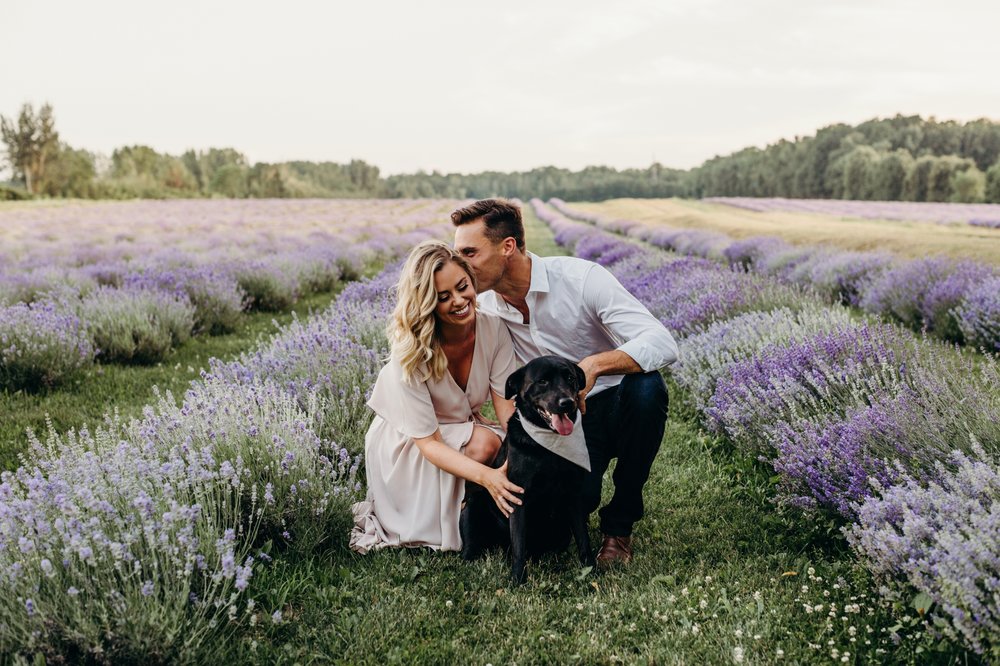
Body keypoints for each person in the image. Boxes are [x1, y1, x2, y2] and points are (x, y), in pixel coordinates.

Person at [452, 198, 679, 567]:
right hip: (558, 421)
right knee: (577, 502)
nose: (461, 263)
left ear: (507, 247)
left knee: (648, 389)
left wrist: (594, 366)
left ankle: (619, 527)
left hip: (614, 402)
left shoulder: (581, 279)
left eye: (469, 252)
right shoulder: (487, 309)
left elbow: (662, 342)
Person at [350, 240, 524, 554]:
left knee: (502, 445)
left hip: (458, 426)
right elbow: (429, 443)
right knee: (486, 445)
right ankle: (460, 517)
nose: (459, 301)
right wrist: (488, 476)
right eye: (444, 297)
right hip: (408, 442)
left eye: (463, 287)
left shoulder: (493, 329)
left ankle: (483, 513)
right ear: (427, 303)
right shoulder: (411, 354)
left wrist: (523, 453)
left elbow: (506, 407)